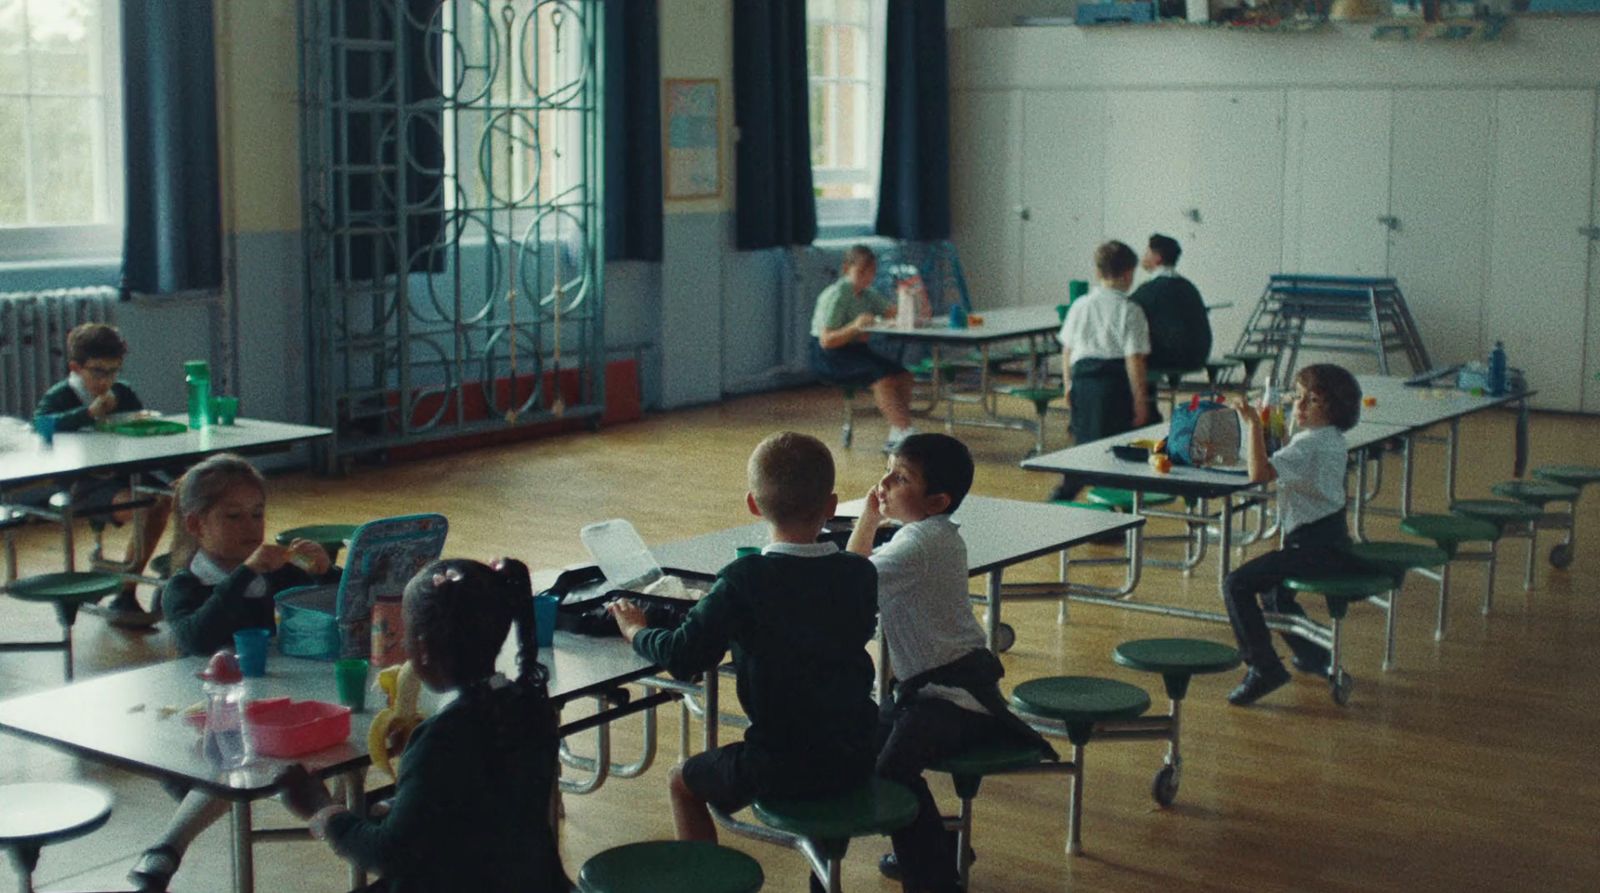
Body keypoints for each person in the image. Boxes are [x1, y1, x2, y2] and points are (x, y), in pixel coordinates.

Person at [607, 431, 879, 853]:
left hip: (783, 763)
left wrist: (635, 631)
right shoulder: (859, 574)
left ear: (752, 504)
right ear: (831, 506)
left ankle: (705, 879)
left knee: (682, 780)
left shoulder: (744, 578)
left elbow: (683, 657)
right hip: (860, 751)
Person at [278, 558, 572, 892]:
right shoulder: (529, 705)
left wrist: (322, 810)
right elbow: (477, 809)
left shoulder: (442, 738)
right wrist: (399, 802)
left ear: (422, 647)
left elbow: (387, 854)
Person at [846, 434, 1054, 893]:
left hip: (954, 701)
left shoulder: (916, 545)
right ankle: (933, 844)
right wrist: (873, 517)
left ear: (937, 501)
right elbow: (855, 575)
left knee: (892, 772)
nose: (883, 481)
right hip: (939, 694)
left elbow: (846, 582)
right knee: (869, 747)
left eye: (900, 477)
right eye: (888, 468)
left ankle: (934, 877)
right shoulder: (928, 534)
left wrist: (867, 520)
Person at [128, 454, 337, 891]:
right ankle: (167, 847)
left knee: (297, 742)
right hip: (202, 717)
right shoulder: (184, 585)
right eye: (234, 516)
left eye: (258, 514)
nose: (250, 527)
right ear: (196, 524)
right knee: (239, 754)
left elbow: (326, 609)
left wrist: (325, 572)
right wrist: (245, 574)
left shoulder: (274, 576)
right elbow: (198, 637)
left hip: (268, 702)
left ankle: (340, 817)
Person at [1222, 364, 1365, 706]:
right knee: (1275, 598)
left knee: (1236, 583)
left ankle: (1263, 667)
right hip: (1329, 543)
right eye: (1298, 397)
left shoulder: (1311, 445)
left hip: (1313, 547)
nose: (1298, 407)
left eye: (1310, 401)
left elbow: (1259, 473)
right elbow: (1286, 458)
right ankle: (1316, 657)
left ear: (1333, 410)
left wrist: (1253, 424)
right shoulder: (1327, 440)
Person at [32, 322, 173, 625]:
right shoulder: (62, 395)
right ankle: (127, 586)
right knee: (147, 507)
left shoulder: (122, 392)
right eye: (98, 372)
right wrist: (87, 414)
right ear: (76, 368)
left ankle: (152, 581)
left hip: (125, 475)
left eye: (113, 371)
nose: (107, 380)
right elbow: (41, 427)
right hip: (84, 484)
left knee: (174, 496)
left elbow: (143, 433)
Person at [1050, 241, 1152, 501]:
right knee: (1113, 448)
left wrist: (1067, 385)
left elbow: (1067, 351)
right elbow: (1134, 360)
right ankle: (1106, 505)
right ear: (1129, 273)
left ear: (1097, 272)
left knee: (1085, 442)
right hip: (1113, 384)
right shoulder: (1130, 310)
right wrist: (1140, 399)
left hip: (1082, 379)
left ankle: (1065, 492)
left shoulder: (1080, 305)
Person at [809, 244, 918, 450]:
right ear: (846, 269)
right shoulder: (838, 295)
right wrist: (854, 327)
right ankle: (905, 429)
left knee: (903, 375)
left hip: (856, 350)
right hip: (830, 355)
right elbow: (827, 340)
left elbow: (891, 312)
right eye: (861, 272)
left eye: (871, 273)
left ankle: (897, 430)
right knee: (882, 377)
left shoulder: (868, 294)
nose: (867, 277)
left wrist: (908, 298)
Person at [1129, 233, 1212, 418]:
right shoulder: (1189, 287)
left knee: (1135, 354)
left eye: (1147, 252)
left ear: (1157, 258)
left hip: (1169, 358)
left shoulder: (1148, 291)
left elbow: (1127, 311)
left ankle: (1145, 413)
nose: (1144, 256)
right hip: (1197, 356)